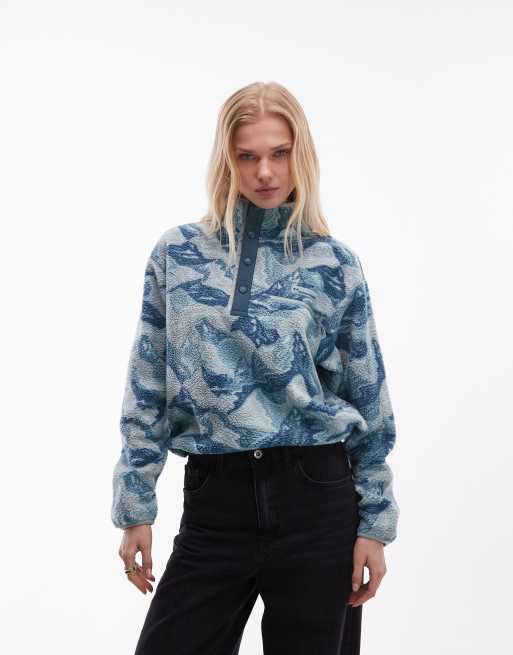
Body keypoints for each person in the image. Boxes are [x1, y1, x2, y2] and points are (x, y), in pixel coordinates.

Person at [111, 81, 399, 655]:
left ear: (301, 155)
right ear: (226, 160)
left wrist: (375, 523)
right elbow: (147, 384)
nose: (265, 172)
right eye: (247, 156)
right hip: (216, 500)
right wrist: (135, 503)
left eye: (279, 153)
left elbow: (368, 396)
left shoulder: (334, 263)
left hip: (317, 499)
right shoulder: (177, 254)